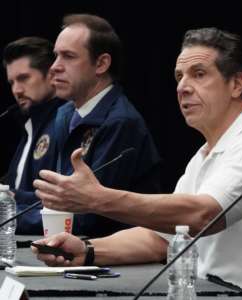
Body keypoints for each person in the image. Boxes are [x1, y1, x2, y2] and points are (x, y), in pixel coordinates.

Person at [33, 28, 242, 300]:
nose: (183, 87)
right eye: (179, 76)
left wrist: (98, 199)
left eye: (198, 74)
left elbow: (203, 217)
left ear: (236, 84)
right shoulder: (205, 154)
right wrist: (86, 250)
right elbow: (161, 239)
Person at [47, 14, 161, 237]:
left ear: (101, 63)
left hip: (114, 258)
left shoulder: (121, 122)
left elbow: (87, 217)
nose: (54, 67)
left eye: (68, 57)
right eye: (55, 56)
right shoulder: (64, 114)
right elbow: (51, 196)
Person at [2, 37, 65, 234]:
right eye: (11, 82)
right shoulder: (30, 124)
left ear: (51, 75)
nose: (16, 90)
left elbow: (62, 205)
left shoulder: (65, 123)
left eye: (23, 78)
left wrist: (6, 211)